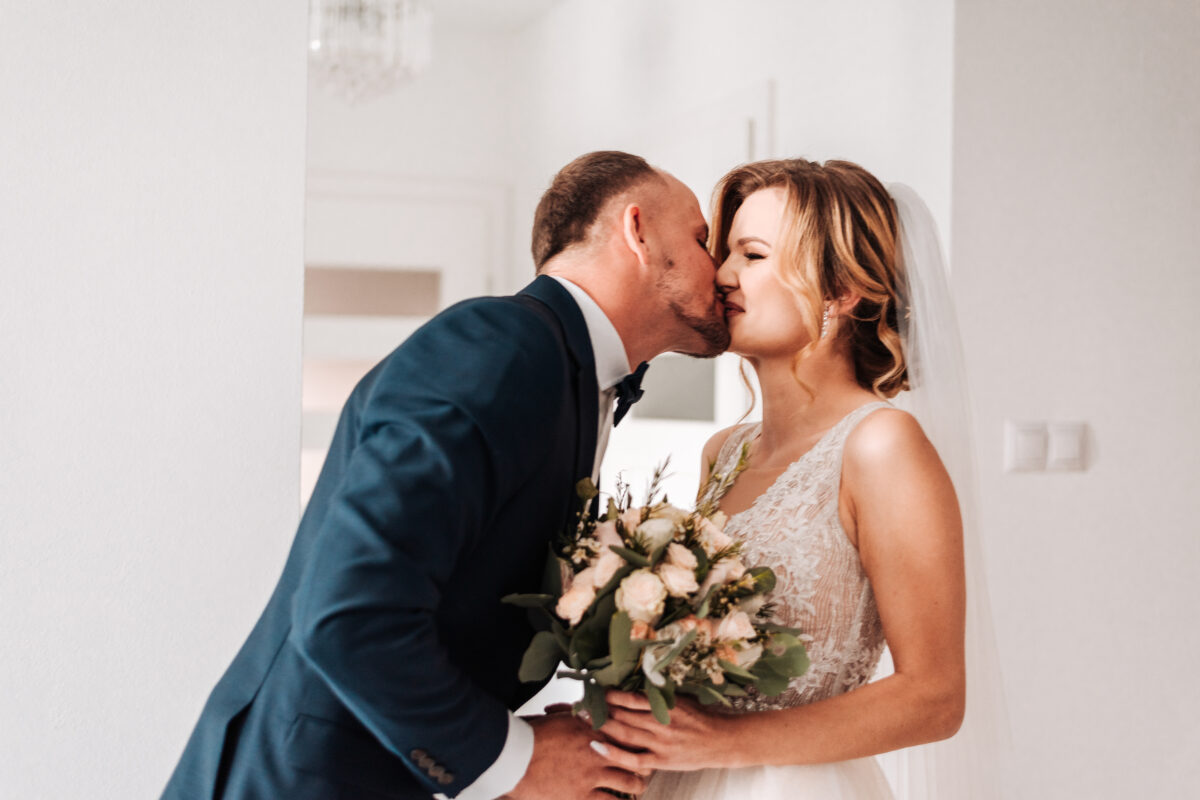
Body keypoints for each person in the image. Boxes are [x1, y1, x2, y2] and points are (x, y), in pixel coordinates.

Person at [159, 150, 729, 800]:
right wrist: (516, 761)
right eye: (702, 238)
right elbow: (348, 611)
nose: (721, 268)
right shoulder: (501, 345)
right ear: (638, 230)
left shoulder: (567, 372)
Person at [591, 158, 1002, 798]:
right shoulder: (723, 452)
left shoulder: (881, 446)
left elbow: (935, 697)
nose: (722, 275)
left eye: (752, 255)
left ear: (842, 291)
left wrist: (725, 743)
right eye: (725, 251)